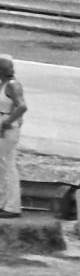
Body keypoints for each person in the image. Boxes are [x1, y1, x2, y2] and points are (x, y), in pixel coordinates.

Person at [0, 54, 27, 218]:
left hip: (6, 128)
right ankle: (4, 202)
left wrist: (6, 122)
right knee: (2, 166)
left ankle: (12, 206)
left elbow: (22, 107)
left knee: (8, 165)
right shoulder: (3, 85)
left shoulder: (12, 85)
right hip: (5, 125)